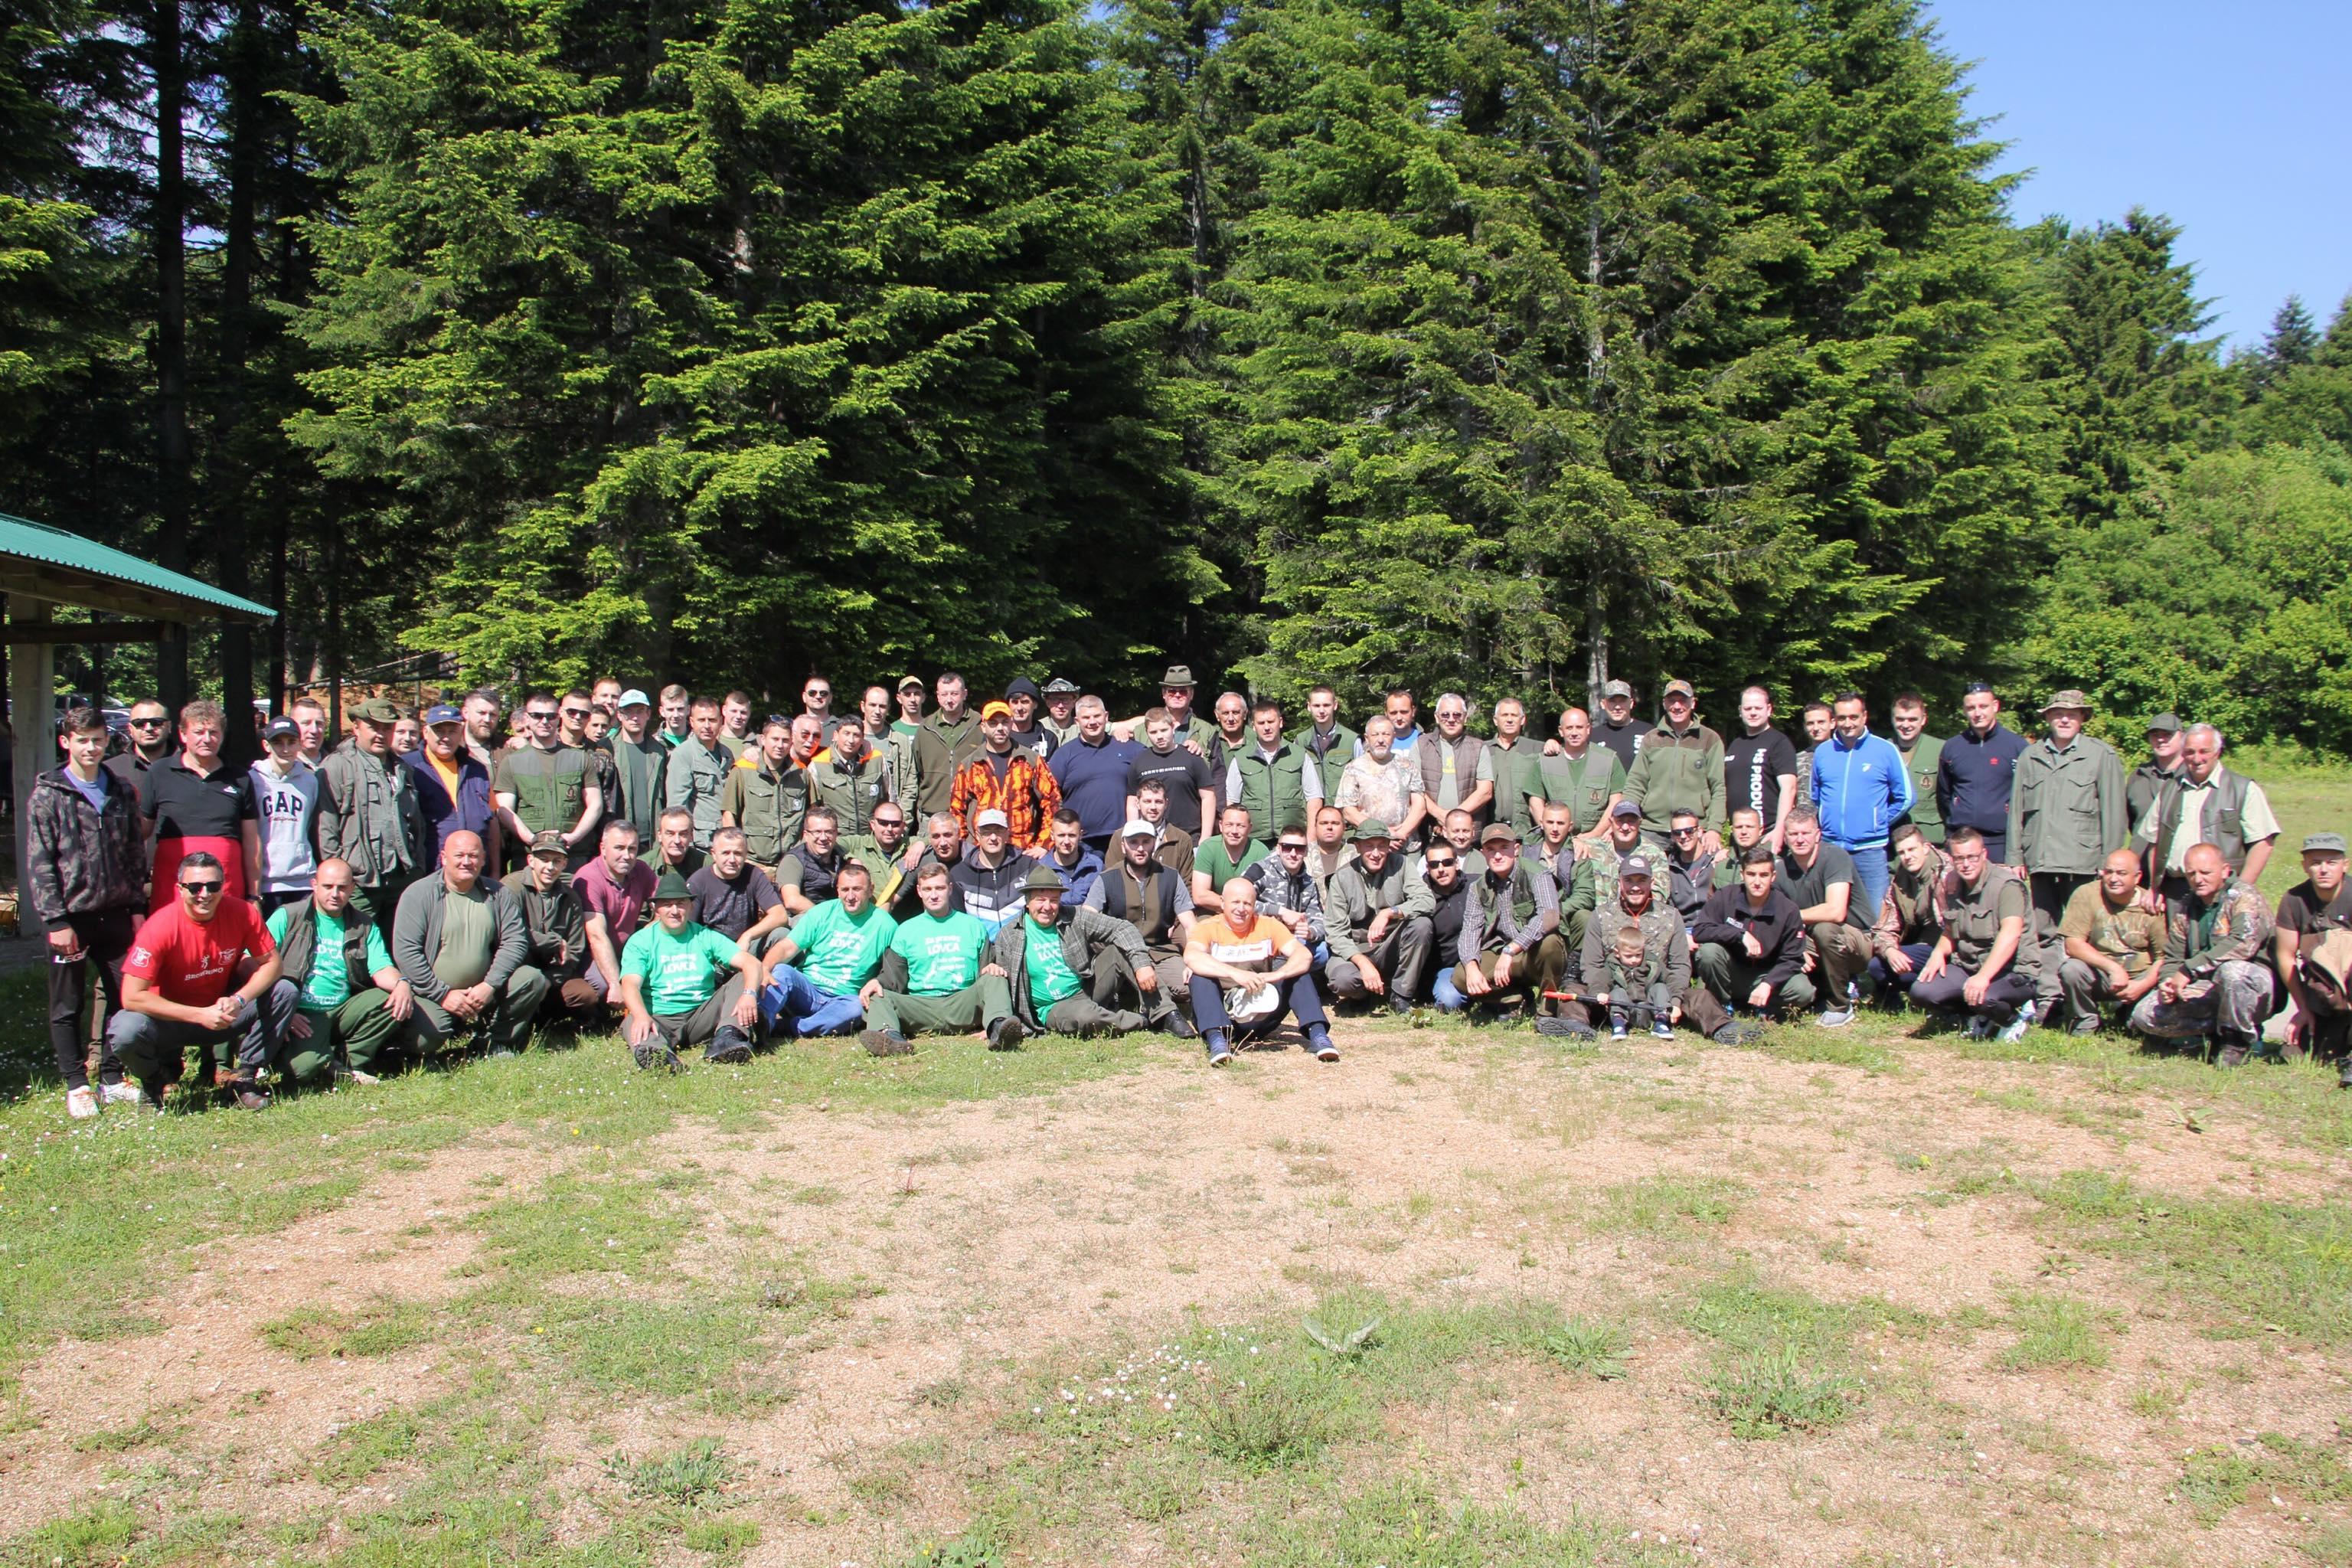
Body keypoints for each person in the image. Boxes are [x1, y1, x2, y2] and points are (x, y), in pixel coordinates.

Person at [28, 707, 149, 1117]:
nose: (91, 747)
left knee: (125, 997)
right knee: (68, 1004)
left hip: (116, 913)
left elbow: (134, 852)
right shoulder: (48, 793)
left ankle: (113, 1078)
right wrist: (55, 920)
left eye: (97, 739)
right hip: (72, 918)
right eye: (82, 740)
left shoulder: (120, 790)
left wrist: (136, 906)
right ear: (66, 743)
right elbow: (40, 861)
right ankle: (77, 1084)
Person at [108, 851, 291, 1110]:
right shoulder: (159, 926)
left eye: (213, 886)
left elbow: (273, 964)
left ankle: (244, 1080)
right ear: (180, 889)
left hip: (224, 1013)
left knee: (284, 990)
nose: (205, 894)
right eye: (195, 887)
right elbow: (131, 996)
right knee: (124, 1030)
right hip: (171, 1021)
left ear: (223, 885)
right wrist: (198, 1015)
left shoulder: (243, 913)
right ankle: (153, 1083)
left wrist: (240, 999)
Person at [2010, 689, 2131, 1018]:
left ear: (2083, 719)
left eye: (2072, 714)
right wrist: (2015, 857)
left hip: (2085, 861)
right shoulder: (2030, 757)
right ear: (2047, 717)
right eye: (2058, 713)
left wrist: (2110, 863)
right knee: (2044, 932)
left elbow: (2113, 814)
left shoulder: (2101, 756)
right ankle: (2051, 999)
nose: (2065, 719)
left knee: (2086, 933)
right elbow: (2017, 812)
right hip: (2041, 860)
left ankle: (2098, 998)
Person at [391, 831, 547, 1058]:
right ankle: (406, 1050)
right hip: (431, 993)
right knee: (427, 1039)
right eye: (460, 855)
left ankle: (492, 1041)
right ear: (444, 857)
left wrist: (489, 985)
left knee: (532, 980)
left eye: (473, 856)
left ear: (483, 859)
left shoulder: (498, 893)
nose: (467, 862)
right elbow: (407, 953)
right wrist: (443, 994)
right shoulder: (418, 895)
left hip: (482, 991)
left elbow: (515, 941)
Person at [264, 858, 413, 1087]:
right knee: (304, 1072)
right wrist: (282, 1011)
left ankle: (348, 1061)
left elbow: (381, 968)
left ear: (352, 889)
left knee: (391, 999)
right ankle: (311, 1060)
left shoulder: (364, 925)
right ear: (314, 884)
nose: (335, 894)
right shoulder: (287, 916)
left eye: (342, 888)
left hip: (342, 1008)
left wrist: (402, 983)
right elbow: (254, 963)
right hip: (301, 1014)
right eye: (328, 886)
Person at [2129, 843, 2279, 1066]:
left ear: (2225, 870)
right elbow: (2174, 955)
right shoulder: (2187, 906)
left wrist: (2188, 970)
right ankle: (2211, 1034)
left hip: (2253, 984)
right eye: (2192, 873)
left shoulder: (2244, 896)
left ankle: (2236, 1043)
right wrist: (2169, 982)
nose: (2198, 879)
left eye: (2206, 872)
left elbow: (2242, 943)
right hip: (2208, 985)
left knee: (2233, 972)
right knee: (2144, 1014)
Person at [1560, 854, 1735, 1042]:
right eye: (1629, 880)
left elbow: (1679, 967)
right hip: (1613, 998)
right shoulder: (1601, 916)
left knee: (1700, 997)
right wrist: (1599, 993)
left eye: (1642, 880)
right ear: (1620, 882)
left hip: (1659, 997)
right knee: (1572, 991)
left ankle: (1724, 1028)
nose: (1635, 887)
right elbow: (1592, 965)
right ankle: (1575, 1026)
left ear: (1651, 882)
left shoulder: (1671, 916)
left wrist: (1674, 1001)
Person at [994, 864, 1171, 1043]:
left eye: (1054, 900)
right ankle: (1143, 1020)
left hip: (1086, 988)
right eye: (1041, 900)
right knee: (1086, 1018)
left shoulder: (1074, 917)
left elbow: (1123, 928)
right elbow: (1001, 983)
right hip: (1054, 1007)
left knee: (1121, 950)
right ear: (1027, 901)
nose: (1048, 907)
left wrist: (1142, 964)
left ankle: (1166, 1013)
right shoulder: (1009, 935)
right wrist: (995, 1022)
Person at [860, 864, 1015, 1056]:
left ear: (950, 889)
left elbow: (985, 973)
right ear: (919, 891)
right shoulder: (906, 930)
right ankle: (890, 1039)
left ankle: (998, 1029)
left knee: (995, 977)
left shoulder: (973, 926)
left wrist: (992, 968)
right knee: (879, 995)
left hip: (962, 1003)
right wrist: (877, 982)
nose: (934, 895)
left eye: (939, 888)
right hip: (921, 1005)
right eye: (928, 889)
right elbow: (893, 979)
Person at [619, 868, 764, 1070]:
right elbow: (630, 984)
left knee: (741, 980)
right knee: (633, 1019)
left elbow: (752, 964)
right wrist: (642, 1016)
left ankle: (727, 1039)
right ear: (656, 908)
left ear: (690, 906)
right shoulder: (641, 941)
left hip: (700, 1014)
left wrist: (749, 994)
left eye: (680, 903)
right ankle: (659, 1056)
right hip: (659, 1018)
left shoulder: (704, 936)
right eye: (667, 905)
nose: (675, 910)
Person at [1185, 876, 1338, 1065]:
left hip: (1261, 1008)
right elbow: (1192, 956)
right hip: (1223, 1013)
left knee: (1298, 973)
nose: (1241, 909)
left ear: (1255, 905)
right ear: (1223, 903)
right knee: (1198, 975)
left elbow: (1303, 956)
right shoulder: (1206, 927)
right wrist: (1235, 974)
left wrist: (1276, 975)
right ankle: (1218, 1041)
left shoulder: (1268, 925)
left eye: (1247, 903)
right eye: (1236, 902)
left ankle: (1319, 1036)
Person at [1910, 828, 2037, 1040]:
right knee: (1922, 991)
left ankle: (2011, 1020)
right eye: (1959, 859)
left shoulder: (2006, 886)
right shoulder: (1954, 883)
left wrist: (1983, 977)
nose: (1966, 864)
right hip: (1970, 966)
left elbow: (2011, 934)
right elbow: (1951, 928)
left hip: (2012, 971)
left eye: (1972, 857)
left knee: (1985, 997)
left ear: (1984, 855)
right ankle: (1972, 1017)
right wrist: (1938, 953)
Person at [318, 697, 431, 934]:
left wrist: (418, 866)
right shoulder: (336, 766)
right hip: (359, 882)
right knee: (356, 947)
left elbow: (417, 824)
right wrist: (341, 874)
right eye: (374, 727)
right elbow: (326, 827)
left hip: (402, 879)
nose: (381, 734)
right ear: (357, 727)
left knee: (400, 945)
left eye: (387, 728)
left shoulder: (404, 769)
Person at [2133, 723, 2282, 898]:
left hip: (2224, 892)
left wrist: (2241, 890)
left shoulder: (2242, 788)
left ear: (2217, 752)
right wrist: (2155, 888)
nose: (2197, 759)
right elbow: (2154, 842)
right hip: (2175, 892)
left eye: (2204, 751)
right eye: (2190, 752)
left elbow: (2263, 843)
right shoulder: (2168, 790)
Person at [143, 699, 262, 911]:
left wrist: (254, 895)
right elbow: (140, 832)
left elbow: (252, 842)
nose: (207, 739)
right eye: (199, 732)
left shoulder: (240, 778)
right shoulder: (158, 773)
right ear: (182, 734)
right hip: (172, 890)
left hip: (226, 888)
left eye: (214, 732)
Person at [760, 860, 896, 1037]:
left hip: (843, 998)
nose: (850, 896)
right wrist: (765, 968)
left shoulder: (885, 925)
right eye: (845, 890)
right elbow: (787, 947)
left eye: (857, 889)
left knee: (857, 1008)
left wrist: (877, 981)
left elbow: (893, 968)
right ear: (837, 890)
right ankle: (760, 1022)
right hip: (808, 989)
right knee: (782, 971)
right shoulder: (821, 912)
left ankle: (789, 1027)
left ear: (871, 889)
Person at [1808, 691, 1910, 926]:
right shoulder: (1823, 752)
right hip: (1832, 849)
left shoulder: (1884, 750)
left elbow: (1905, 797)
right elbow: (1817, 796)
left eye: (1853, 716)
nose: (1847, 723)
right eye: (1842, 718)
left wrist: (1879, 821)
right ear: (1835, 719)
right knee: (1831, 919)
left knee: (1875, 918)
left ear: (1865, 716)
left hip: (1870, 851)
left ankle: (1872, 962)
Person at [1085, 818, 1197, 1030]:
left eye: (1146, 842)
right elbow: (1087, 920)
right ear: (1123, 845)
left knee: (1188, 987)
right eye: (1133, 842)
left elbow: (1191, 925)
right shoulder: (1107, 879)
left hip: (1160, 951)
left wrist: (1194, 961)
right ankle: (1159, 1007)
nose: (1140, 848)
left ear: (1155, 843)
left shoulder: (1171, 877)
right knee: (1125, 961)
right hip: (1123, 953)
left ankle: (1138, 997)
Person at [1454, 824, 1569, 1020]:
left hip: (1532, 953)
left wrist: (1512, 950)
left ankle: (1547, 1010)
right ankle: (1514, 999)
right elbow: (1470, 931)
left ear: (1516, 849)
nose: (1498, 856)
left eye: (1504, 848)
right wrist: (1472, 967)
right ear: (1483, 853)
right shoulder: (1478, 887)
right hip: (1501, 955)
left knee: (1551, 945)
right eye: (1491, 850)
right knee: (1461, 976)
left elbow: (1549, 917)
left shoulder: (1538, 874)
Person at [1323, 819, 1435, 1014]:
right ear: (1357, 846)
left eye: (1381, 846)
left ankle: (1401, 995)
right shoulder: (1342, 878)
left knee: (1422, 925)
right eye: (1369, 846)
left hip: (1391, 946)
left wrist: (1389, 913)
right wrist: (1362, 962)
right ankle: (1363, 994)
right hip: (1356, 949)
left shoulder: (1402, 865)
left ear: (1389, 846)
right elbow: (1335, 932)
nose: (1376, 853)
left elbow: (1427, 901)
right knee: (1342, 981)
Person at [1692, 846, 1813, 1023]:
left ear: (1773, 877)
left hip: (1766, 974)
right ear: (1742, 874)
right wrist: (1739, 934)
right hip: (1732, 971)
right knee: (1709, 953)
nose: (1757, 882)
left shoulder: (1787, 909)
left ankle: (1765, 1008)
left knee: (1803, 991)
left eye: (1764, 875)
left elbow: (1793, 958)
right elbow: (1700, 930)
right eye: (1751, 874)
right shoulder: (1726, 896)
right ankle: (1724, 1004)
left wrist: (1768, 983)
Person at [1779, 806, 1871, 1027]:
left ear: (1818, 835)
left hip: (1854, 939)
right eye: (1793, 834)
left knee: (1825, 929)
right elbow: (1778, 921)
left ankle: (1840, 1005)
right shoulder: (1781, 870)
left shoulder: (1835, 857)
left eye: (1806, 833)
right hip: (1810, 939)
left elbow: (1835, 911)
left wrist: (1794, 917)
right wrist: (1796, 946)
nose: (1800, 839)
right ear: (1785, 836)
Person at [2056, 848, 2165, 1035]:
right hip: (2101, 976)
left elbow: (2164, 957)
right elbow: (2072, 944)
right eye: (2109, 872)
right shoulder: (2087, 894)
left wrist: (2142, 986)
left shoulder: (2150, 906)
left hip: (2140, 978)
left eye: (2122, 873)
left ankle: (2129, 1014)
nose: (2113, 879)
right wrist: (2113, 968)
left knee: (2138, 1026)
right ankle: (2086, 1019)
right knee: (2071, 969)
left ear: (2137, 877)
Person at [494, 691, 601, 869]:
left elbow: (595, 804)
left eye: (550, 716)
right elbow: (504, 810)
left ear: (558, 718)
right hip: (530, 857)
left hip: (573, 856)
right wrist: (531, 839)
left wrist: (575, 837)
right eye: (537, 716)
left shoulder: (579, 758)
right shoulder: (512, 761)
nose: (545, 721)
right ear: (527, 718)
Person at [2274, 832, 2352, 1077]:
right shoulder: (2293, 900)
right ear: (2305, 867)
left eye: (2331, 862)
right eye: (2316, 863)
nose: (2324, 870)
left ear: (2345, 865)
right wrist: (2303, 1008)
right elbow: (2286, 957)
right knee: (2295, 1054)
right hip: (2321, 992)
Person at [512, 831, 606, 1034]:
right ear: (531, 860)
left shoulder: (570, 897)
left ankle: (544, 1017)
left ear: (565, 864)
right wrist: (554, 942)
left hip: (552, 974)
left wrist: (549, 981)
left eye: (557, 861)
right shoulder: (512, 888)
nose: (550, 867)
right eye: (543, 860)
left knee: (586, 995)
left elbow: (574, 950)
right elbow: (512, 934)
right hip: (516, 972)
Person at [950, 700, 1063, 849]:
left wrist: (1044, 844)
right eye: (993, 723)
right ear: (983, 727)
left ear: (1011, 724)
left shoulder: (1030, 760)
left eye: (1004, 722)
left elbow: (1053, 801)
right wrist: (965, 846)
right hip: (981, 849)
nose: (1000, 728)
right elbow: (957, 809)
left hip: (1022, 849)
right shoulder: (970, 764)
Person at [1624, 680, 1723, 844]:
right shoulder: (1652, 738)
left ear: (1693, 703)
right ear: (1664, 704)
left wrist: (1714, 829)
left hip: (1693, 829)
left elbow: (1718, 787)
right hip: (1652, 829)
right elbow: (1636, 783)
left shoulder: (1709, 739)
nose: (1677, 706)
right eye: (1672, 701)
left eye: (1683, 700)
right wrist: (1625, 817)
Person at [1938, 683, 2026, 864]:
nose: (1977, 713)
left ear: (1995, 706)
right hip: (1962, 840)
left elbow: (2028, 797)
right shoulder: (1953, 747)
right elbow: (1944, 794)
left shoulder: (2017, 747)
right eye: (1971, 708)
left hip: (2001, 842)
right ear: (1964, 710)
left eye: (1983, 706)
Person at [573, 818, 658, 1004]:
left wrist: (646, 932)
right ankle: (594, 1014)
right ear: (603, 848)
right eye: (619, 848)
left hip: (627, 949)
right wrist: (614, 984)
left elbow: (665, 907)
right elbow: (596, 936)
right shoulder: (588, 878)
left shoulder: (641, 870)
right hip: (589, 954)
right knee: (603, 987)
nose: (627, 856)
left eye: (632, 849)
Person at [1050, 694, 1144, 854]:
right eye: (1086, 718)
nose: (1092, 722)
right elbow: (1048, 797)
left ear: (1106, 717)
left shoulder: (1129, 748)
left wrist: (1187, 747)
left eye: (1097, 716)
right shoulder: (1064, 755)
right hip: (1080, 842)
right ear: (1077, 721)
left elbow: (1160, 757)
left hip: (1123, 839)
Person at [407, 703, 498, 864]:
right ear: (426, 733)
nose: (446, 738)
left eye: (452, 731)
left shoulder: (476, 770)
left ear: (461, 733)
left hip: (474, 867)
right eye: (440, 731)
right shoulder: (409, 767)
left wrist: (496, 870)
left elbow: (492, 822)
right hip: (428, 868)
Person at [1867, 823, 1948, 1002]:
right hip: (1924, 945)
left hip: (1951, 948)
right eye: (1902, 853)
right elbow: (1884, 926)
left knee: (1927, 990)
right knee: (1877, 966)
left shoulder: (1948, 874)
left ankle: (1941, 994)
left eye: (1912, 849)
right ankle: (1898, 995)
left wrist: (1941, 951)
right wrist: (1890, 951)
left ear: (1926, 848)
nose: (1908, 857)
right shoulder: (1901, 880)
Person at [248, 717, 320, 915]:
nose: (285, 749)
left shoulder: (311, 781)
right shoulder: (252, 780)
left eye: (291, 742)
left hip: (302, 880)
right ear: (266, 745)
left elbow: (311, 826)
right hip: (266, 882)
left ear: (300, 743)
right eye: (278, 743)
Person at [721, 717, 808, 877]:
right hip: (755, 864)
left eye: (785, 740)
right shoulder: (743, 770)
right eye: (775, 739)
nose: (780, 745)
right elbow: (729, 815)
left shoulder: (802, 773)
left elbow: (813, 814)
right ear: (763, 739)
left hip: (793, 863)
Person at [1723, 687, 1798, 853]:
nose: (1753, 713)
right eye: (1748, 708)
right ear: (1740, 711)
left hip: (1768, 833)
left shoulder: (1779, 742)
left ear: (1769, 709)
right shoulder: (1736, 744)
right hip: (1740, 834)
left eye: (1758, 708)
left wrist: (1780, 829)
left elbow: (1789, 788)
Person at [690, 827, 791, 952]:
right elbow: (688, 928)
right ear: (713, 854)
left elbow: (780, 915)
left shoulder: (754, 875)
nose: (732, 860)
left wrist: (747, 936)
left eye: (738, 853)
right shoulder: (698, 881)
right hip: (712, 951)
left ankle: (764, 971)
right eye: (726, 853)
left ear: (745, 855)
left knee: (781, 934)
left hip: (746, 948)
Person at [1532, 707, 1625, 841]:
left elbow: (1617, 800)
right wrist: (1551, 831)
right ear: (1561, 731)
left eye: (1579, 727)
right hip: (1555, 841)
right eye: (1569, 728)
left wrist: (1595, 834)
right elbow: (1535, 801)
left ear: (1588, 729)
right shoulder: (1545, 761)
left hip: (1599, 840)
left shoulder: (1609, 760)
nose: (1574, 733)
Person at [1334, 717, 1427, 848]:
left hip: (1406, 844)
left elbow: (1420, 806)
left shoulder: (1408, 766)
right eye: (1375, 735)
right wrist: (1382, 834)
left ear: (1394, 737)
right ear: (1367, 738)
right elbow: (1348, 810)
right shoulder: (1353, 769)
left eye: (1386, 734)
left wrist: (1401, 833)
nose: (1380, 740)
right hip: (1370, 846)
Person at [1128, 706, 1217, 843]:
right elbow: (1133, 802)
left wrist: (1205, 837)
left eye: (1164, 730)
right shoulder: (1139, 761)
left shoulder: (1192, 757)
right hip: (1150, 838)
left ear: (1173, 727)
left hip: (1190, 837)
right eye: (1153, 732)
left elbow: (1208, 797)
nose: (1159, 736)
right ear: (1146, 732)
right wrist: (1133, 834)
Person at [1245, 824, 1328, 959]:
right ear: (1278, 849)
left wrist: (1310, 932)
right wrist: (1280, 912)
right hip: (1259, 937)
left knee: (1322, 952)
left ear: (1306, 852)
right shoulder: (1260, 870)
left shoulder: (1309, 882)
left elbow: (1318, 918)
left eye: (1300, 849)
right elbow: (1237, 903)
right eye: (1287, 848)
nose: (1293, 854)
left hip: (1292, 941)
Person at [662, 696, 732, 850]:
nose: (707, 726)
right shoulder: (683, 755)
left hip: (725, 839)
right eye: (701, 720)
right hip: (699, 843)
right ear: (692, 722)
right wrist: (685, 844)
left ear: (721, 721)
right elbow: (676, 806)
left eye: (712, 720)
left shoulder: (727, 754)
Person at [948, 808, 1035, 929]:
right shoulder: (959, 874)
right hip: (980, 944)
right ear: (978, 836)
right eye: (987, 832)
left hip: (1020, 941)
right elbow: (958, 921)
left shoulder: (1027, 866)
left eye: (999, 831)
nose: (993, 837)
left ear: (1007, 834)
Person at [913, 671, 983, 818]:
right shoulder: (925, 728)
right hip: (932, 812)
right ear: (938, 697)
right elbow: (917, 770)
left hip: (971, 812)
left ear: (964, 694)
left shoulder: (980, 725)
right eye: (944, 695)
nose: (949, 700)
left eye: (954, 694)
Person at [1531, 802, 1598, 953]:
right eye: (1550, 822)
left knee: (1585, 917)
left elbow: (1585, 895)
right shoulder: (1526, 853)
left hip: (1565, 916)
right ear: (1541, 824)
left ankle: (1575, 964)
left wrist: (1556, 911)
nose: (1555, 828)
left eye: (1561, 823)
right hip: (1532, 915)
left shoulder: (1579, 854)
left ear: (1570, 826)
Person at [1417, 694, 1492, 828]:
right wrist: (1439, 814)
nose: (1451, 719)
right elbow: (1415, 789)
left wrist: (1454, 819)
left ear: (1465, 717)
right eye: (1445, 715)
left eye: (1457, 715)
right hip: (1429, 828)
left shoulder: (1479, 747)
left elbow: (1485, 791)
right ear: (1436, 717)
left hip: (1467, 831)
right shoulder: (1421, 744)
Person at [810, 715, 889, 835]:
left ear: (863, 738)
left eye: (856, 735)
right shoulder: (819, 765)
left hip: (872, 838)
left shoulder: (876, 760)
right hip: (837, 840)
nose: (851, 740)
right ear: (836, 735)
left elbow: (891, 797)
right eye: (846, 734)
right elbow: (813, 809)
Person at [1587, 800, 1671, 912]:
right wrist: (1576, 841)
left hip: (1639, 917)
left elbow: (1659, 895)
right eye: (1620, 821)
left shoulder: (1654, 853)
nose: (1625, 827)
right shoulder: (1592, 849)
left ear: (1639, 823)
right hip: (1598, 917)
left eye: (1631, 821)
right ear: (1611, 821)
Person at [1485, 697, 1547, 841]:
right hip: (1490, 831)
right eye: (1505, 715)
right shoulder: (1483, 749)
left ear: (1523, 719)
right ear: (1495, 720)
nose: (1509, 720)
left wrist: (1553, 743)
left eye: (1514, 715)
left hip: (1527, 832)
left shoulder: (1537, 749)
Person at [1422, 839, 1472, 1012]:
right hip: (1445, 969)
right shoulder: (1420, 896)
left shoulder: (1476, 887)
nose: (1441, 869)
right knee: (1451, 1002)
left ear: (1457, 864)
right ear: (1428, 869)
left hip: (1478, 961)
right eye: (1434, 865)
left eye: (1447, 862)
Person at [1191, 803, 1268, 915]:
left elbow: (1266, 896)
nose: (1234, 831)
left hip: (1249, 913)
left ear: (1250, 828)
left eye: (1241, 826)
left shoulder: (1260, 851)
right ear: (1221, 826)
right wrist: (1233, 907)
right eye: (1229, 825)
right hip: (1213, 912)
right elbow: (1200, 896)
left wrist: (1239, 908)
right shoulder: (1208, 848)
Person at [1889, 692, 1945, 844]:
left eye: (1913, 719)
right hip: (1893, 840)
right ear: (1893, 719)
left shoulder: (1940, 750)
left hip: (1930, 837)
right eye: (1900, 719)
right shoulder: (1883, 750)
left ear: (1924, 720)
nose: (1906, 725)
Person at [1292, 685, 1361, 808]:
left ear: (1335, 705)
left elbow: (1363, 781)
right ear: (1309, 706)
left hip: (1344, 820)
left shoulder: (1352, 740)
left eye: (1326, 705)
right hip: (1312, 818)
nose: (1322, 710)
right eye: (1317, 706)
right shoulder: (1300, 742)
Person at [845, 802, 917, 916]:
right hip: (868, 920)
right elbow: (828, 843)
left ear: (903, 826)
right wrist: (851, 859)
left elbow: (935, 838)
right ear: (873, 825)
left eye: (895, 824)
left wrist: (921, 845)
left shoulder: (911, 844)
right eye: (883, 823)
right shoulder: (857, 844)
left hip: (904, 918)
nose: (889, 829)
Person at [1602, 923, 1672, 1039]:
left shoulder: (1652, 962)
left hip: (1648, 1010)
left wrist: (1675, 1002)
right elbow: (1601, 980)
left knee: (1660, 987)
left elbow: (1670, 979)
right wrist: (1600, 992)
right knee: (1617, 991)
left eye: (1638, 955)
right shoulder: (1611, 964)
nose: (1634, 960)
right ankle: (1619, 1026)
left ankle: (1661, 1023)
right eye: (1629, 956)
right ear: (1617, 953)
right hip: (1626, 1010)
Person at [777, 806, 851, 913]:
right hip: (802, 917)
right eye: (817, 832)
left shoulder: (841, 856)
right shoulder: (793, 861)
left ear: (836, 834)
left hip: (838, 916)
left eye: (829, 832)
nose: (823, 838)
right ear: (806, 835)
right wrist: (826, 918)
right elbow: (792, 901)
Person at [105, 697, 175, 808]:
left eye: (157, 722)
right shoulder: (110, 770)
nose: (148, 728)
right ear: (130, 729)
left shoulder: (190, 766)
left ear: (169, 726)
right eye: (140, 723)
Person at [1038, 809, 1105, 910]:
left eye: (1072, 835)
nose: (1066, 841)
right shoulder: (1040, 868)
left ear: (1081, 835)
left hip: (1088, 922)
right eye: (1061, 835)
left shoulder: (1096, 866)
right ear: (1052, 836)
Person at [1661, 808, 1717, 926]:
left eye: (1689, 831)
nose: (1683, 836)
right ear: (1672, 836)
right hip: (1683, 930)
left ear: (1700, 832)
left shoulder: (1716, 861)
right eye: (1677, 832)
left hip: (1713, 928)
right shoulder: (1668, 867)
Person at [2127, 713, 2185, 826]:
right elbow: (2131, 821)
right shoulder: (2138, 777)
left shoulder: (2193, 777)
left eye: (2167, 734)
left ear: (2182, 736)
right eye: (2155, 735)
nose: (2161, 739)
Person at [1134, 779, 1196, 880]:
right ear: (1137, 803)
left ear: (1166, 804)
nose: (1153, 807)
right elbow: (1112, 880)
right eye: (1147, 801)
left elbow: (1187, 883)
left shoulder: (1182, 840)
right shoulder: (1121, 837)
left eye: (1158, 802)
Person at [1590, 680, 1651, 772]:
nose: (1617, 707)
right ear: (1603, 704)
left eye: (1622, 701)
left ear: (1631, 703)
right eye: (1612, 701)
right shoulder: (1593, 736)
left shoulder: (1648, 732)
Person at [1305, 805, 1355, 907]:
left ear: (1344, 827)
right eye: (1324, 823)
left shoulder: (1357, 854)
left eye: (1335, 823)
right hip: (1313, 918)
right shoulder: (1302, 854)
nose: (1329, 827)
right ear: (1315, 826)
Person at [1711, 807, 1769, 886]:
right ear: (1732, 830)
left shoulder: (1773, 864)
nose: (1744, 832)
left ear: (1760, 830)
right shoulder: (1722, 865)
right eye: (1739, 827)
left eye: (1749, 827)